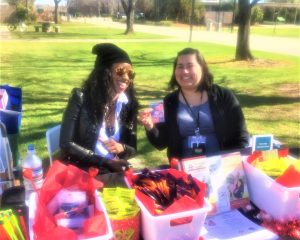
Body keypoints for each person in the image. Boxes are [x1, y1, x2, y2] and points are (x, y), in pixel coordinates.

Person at [139, 47, 249, 161]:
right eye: (180, 66)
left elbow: (241, 135)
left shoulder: (224, 97)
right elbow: (161, 143)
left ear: (202, 68)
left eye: (190, 66)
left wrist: (236, 164)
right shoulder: (169, 101)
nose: (184, 71)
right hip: (183, 171)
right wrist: (150, 126)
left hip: (221, 168)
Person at [59, 43, 138, 186]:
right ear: (104, 72)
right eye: (120, 71)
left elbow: (133, 148)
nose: (126, 77)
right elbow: (66, 144)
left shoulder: (128, 105)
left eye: (130, 73)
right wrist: (105, 161)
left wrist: (123, 148)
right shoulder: (81, 98)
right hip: (83, 170)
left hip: (112, 171)